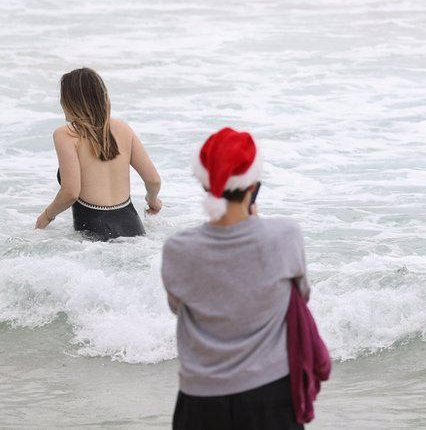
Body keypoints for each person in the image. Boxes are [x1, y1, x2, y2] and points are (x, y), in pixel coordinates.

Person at [161, 128, 316, 430]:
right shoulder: (285, 236)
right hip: (270, 396)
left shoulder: (178, 248)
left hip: (200, 399)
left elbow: (177, 307)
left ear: (204, 183)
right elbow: (301, 296)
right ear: (252, 185)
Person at [34, 68, 161, 240]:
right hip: (133, 228)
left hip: (94, 231)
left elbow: (70, 192)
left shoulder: (66, 135)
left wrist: (44, 218)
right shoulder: (122, 128)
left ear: (69, 100)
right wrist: (152, 201)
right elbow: (153, 180)